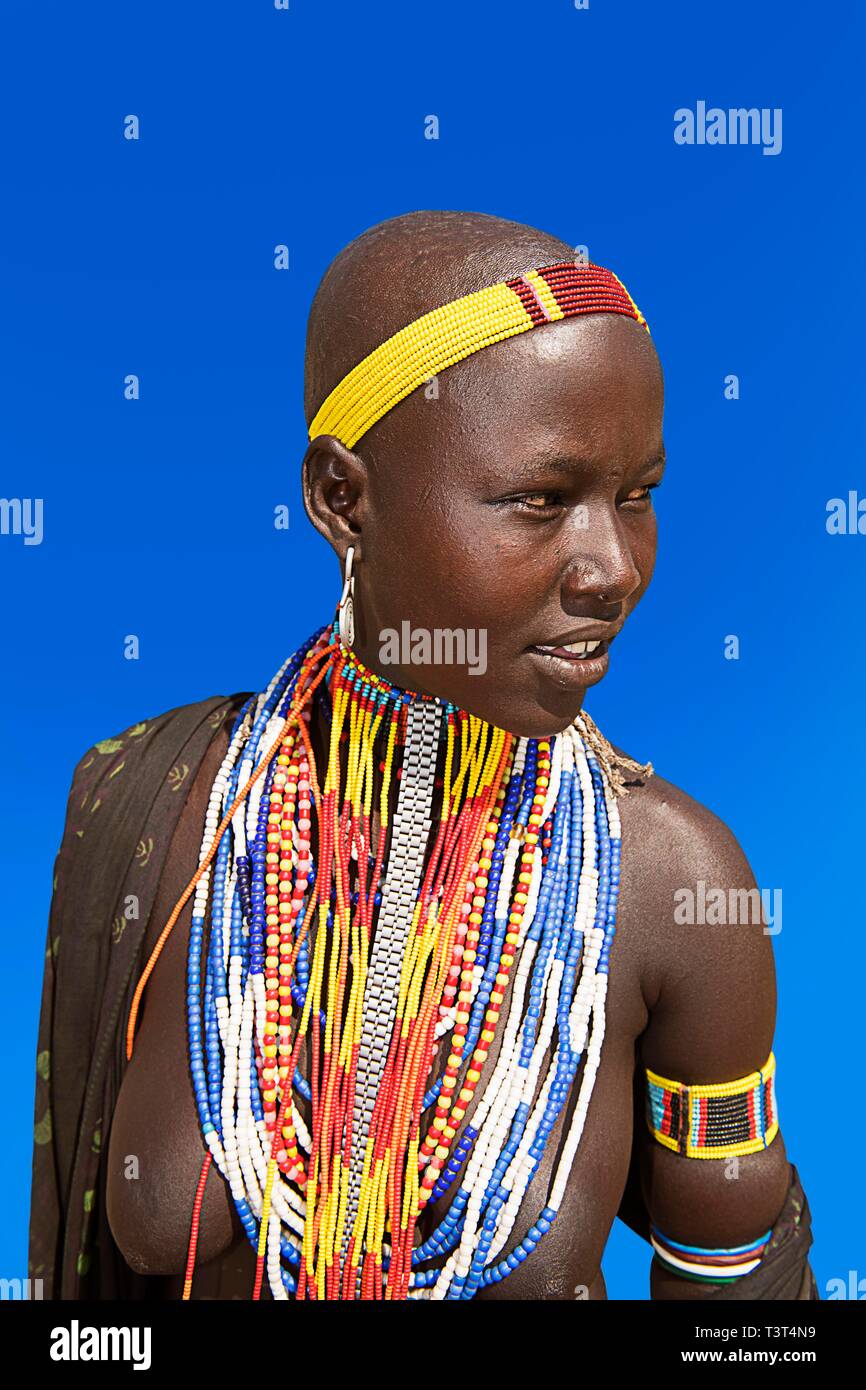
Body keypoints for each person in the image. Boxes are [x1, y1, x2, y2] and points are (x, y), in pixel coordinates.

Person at [28, 210, 817, 1300]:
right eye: (540, 500)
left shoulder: (677, 888)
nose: (612, 569)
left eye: (634, 497)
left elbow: (743, 1306)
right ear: (339, 500)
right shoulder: (150, 807)